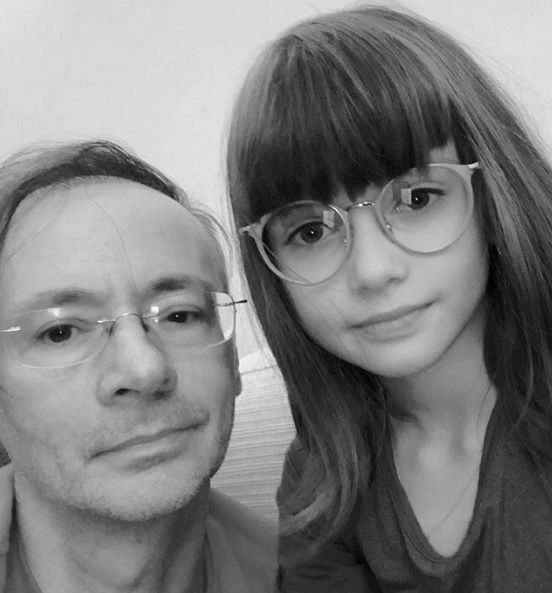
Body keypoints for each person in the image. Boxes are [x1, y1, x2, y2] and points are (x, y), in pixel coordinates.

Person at [226, 4, 552, 592]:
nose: (373, 270)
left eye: (417, 198)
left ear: (493, 192)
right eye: (311, 231)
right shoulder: (325, 475)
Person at [0, 140, 276, 592]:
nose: (145, 369)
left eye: (180, 315)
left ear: (232, 363)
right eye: (61, 331)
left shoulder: (308, 577)